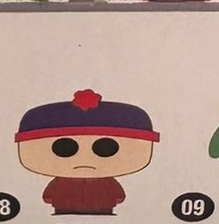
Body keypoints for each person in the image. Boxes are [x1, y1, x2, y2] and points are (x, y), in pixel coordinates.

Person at [15, 88, 159, 214]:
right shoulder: (64, 182)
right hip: (63, 208)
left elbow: (118, 195)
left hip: (103, 208)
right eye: (64, 148)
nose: (84, 160)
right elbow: (119, 196)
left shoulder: (104, 182)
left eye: (105, 148)